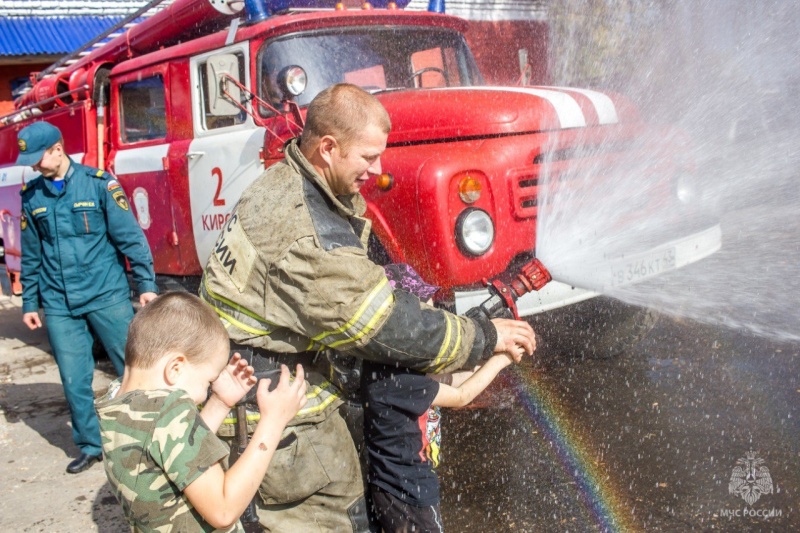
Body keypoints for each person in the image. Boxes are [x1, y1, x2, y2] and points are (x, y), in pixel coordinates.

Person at [199, 83, 537, 532]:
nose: (378, 170)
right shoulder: (305, 232)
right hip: (285, 421)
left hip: (261, 385)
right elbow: (383, 325)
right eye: (368, 157)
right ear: (328, 148)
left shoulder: (289, 183)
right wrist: (485, 337)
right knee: (340, 519)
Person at [96, 292, 308, 532]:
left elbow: (172, 449)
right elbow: (223, 510)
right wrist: (273, 421)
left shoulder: (118, 402)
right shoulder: (168, 410)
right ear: (175, 368)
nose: (202, 395)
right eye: (207, 382)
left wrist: (219, 402)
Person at [16, 121, 158, 474]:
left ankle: (150, 438)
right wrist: (30, 303)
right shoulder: (32, 196)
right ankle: (92, 445)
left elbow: (130, 238)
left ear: (58, 149)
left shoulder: (99, 184)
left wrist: (146, 285)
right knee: (74, 378)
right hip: (59, 301)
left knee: (134, 367)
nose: (34, 165)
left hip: (105, 293)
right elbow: (31, 254)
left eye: (38, 157)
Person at [363, 264, 527, 532]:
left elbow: (451, 379)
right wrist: (501, 360)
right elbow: (461, 396)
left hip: (400, 485)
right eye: (422, 306)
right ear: (398, 318)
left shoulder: (396, 364)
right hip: (406, 490)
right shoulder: (394, 374)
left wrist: (485, 357)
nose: (432, 309)